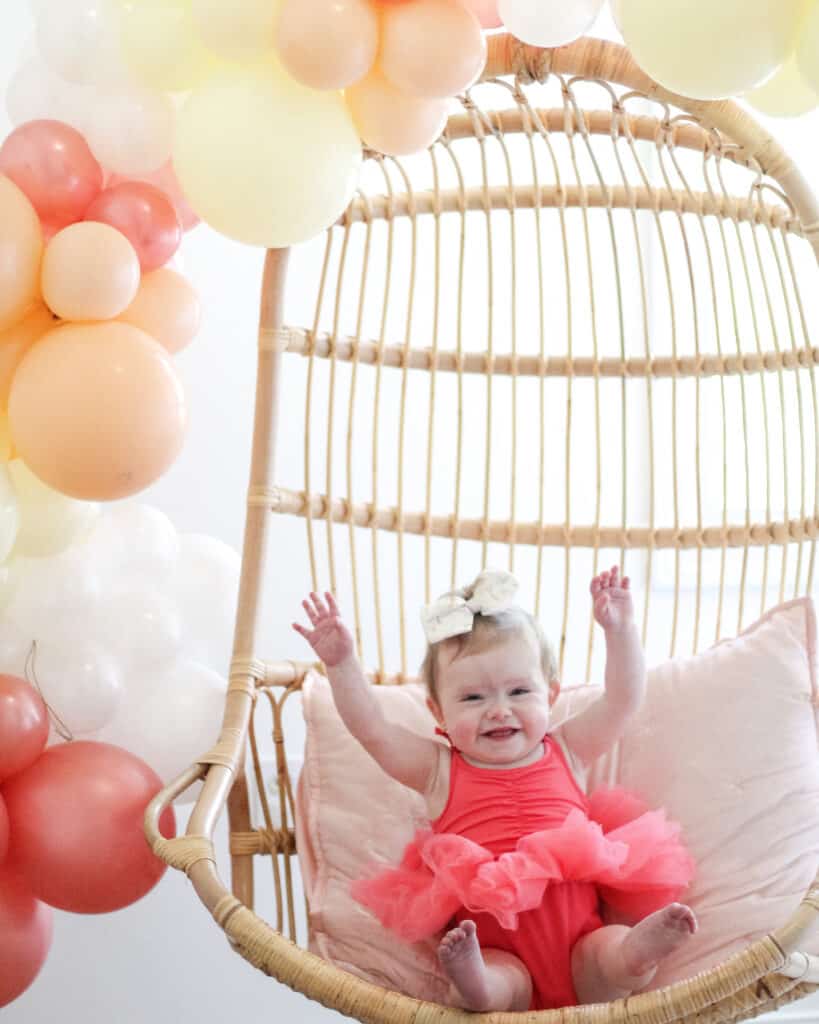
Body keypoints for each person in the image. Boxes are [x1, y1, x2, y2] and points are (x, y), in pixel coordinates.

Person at [292, 566, 696, 1012]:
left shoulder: (569, 749)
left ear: (552, 694)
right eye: (473, 698)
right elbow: (372, 729)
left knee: (610, 952)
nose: (499, 711)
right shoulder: (437, 769)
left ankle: (638, 950)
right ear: (438, 712)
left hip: (581, 944)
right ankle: (475, 981)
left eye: (519, 691)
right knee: (499, 981)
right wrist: (341, 663)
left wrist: (620, 631)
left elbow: (623, 698)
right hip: (497, 947)